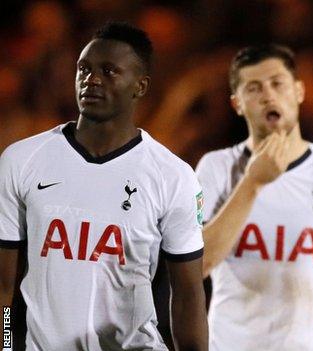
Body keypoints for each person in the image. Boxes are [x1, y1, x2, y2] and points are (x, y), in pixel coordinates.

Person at [0, 22, 208, 351]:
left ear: (140, 86)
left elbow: (188, 296)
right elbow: (4, 287)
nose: (91, 79)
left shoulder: (173, 176)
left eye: (109, 71)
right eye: (84, 69)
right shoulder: (22, 160)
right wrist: (7, 346)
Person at [195, 44, 313, 350]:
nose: (268, 95)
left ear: (299, 91)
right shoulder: (216, 167)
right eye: (254, 88)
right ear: (237, 104)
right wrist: (252, 183)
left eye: (278, 83)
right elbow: (197, 265)